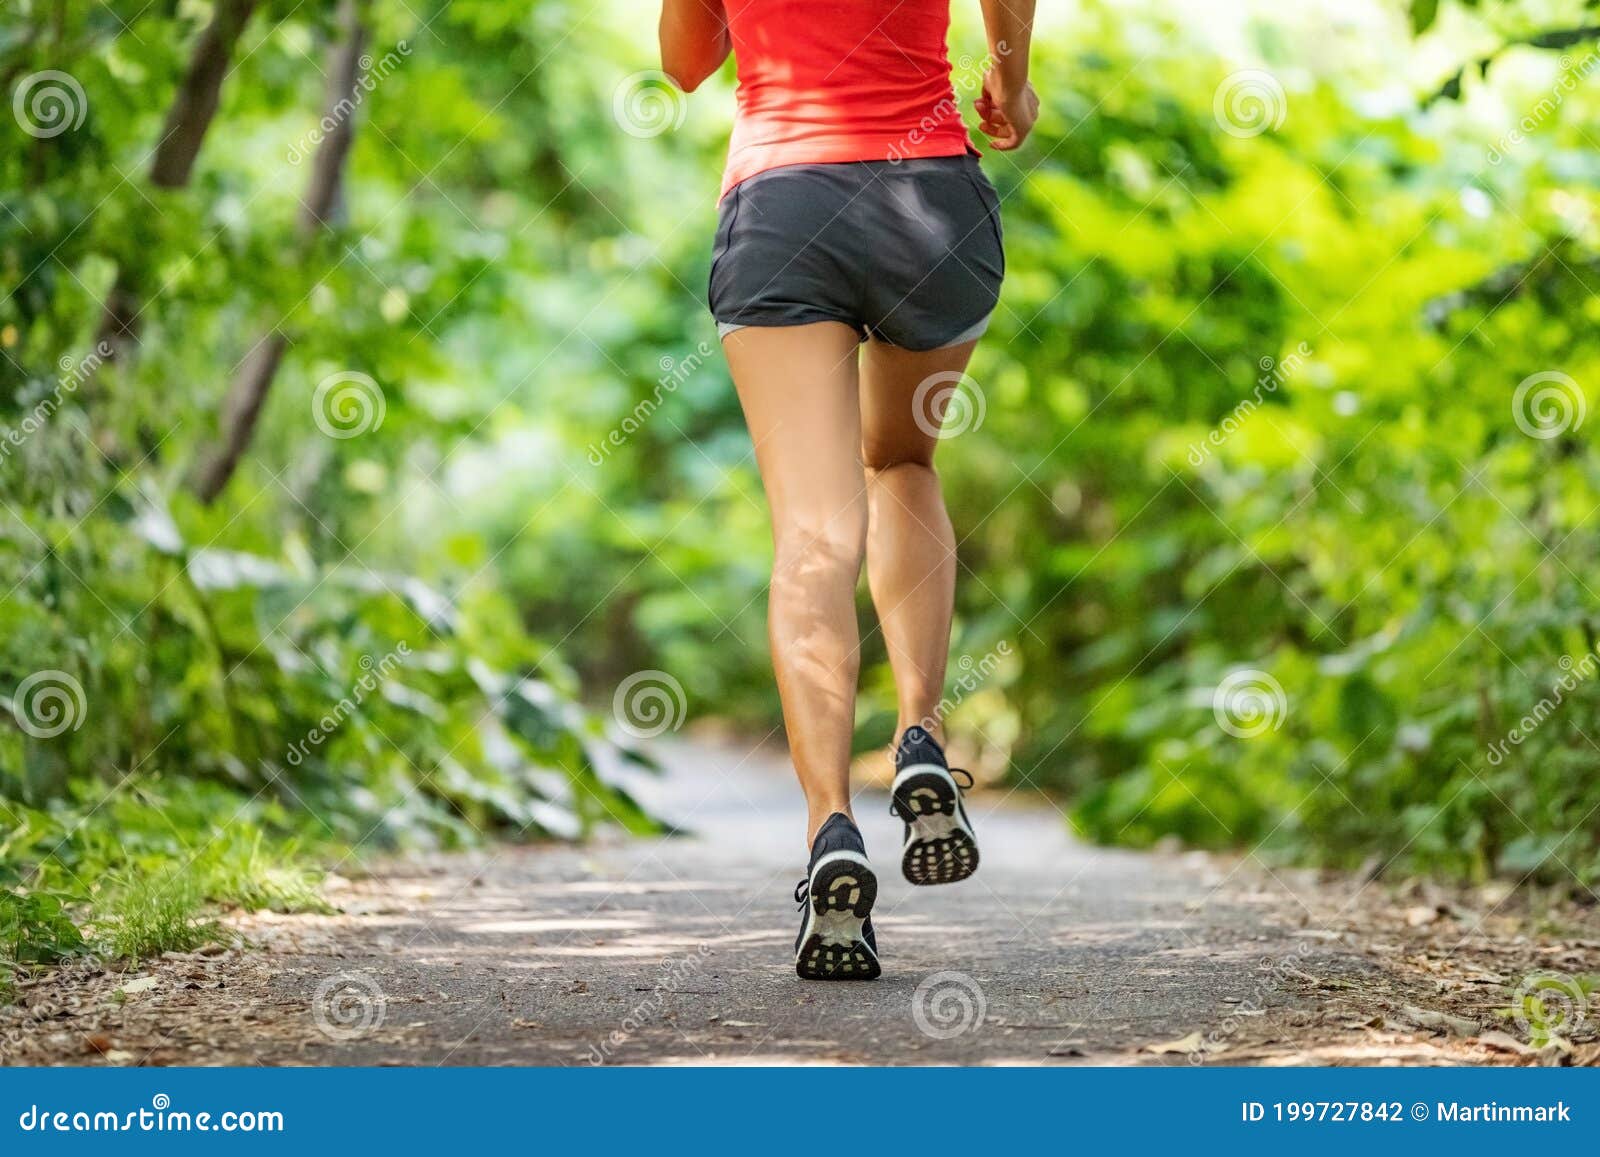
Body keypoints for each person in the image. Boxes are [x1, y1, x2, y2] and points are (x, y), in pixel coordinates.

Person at [659, 0, 1038, 980]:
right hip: (931, 201)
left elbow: (685, 65)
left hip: (782, 204)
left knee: (813, 537)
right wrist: (1011, 76)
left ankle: (831, 829)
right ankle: (921, 729)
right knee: (904, 462)